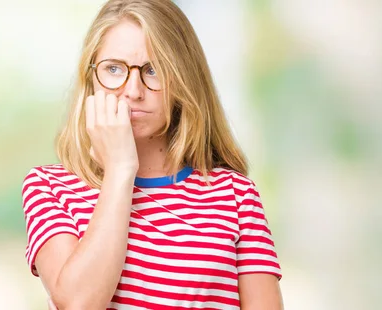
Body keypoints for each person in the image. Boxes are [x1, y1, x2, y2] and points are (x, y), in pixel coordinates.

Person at [20, 0, 283, 309]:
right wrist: (120, 169)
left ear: (183, 80)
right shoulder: (48, 187)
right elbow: (78, 303)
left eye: (153, 70)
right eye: (114, 69)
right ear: (90, 76)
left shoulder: (237, 196)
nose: (133, 90)